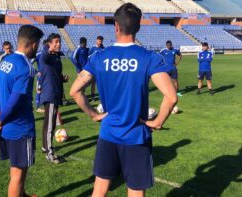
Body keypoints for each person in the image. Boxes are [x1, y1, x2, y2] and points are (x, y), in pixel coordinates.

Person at [70, 3, 177, 197]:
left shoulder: (99, 57)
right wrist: (158, 122)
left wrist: (94, 115)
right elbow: (171, 96)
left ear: (116, 27)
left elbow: (75, 91)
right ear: (138, 28)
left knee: (99, 191)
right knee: (135, 193)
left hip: (108, 133)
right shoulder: (149, 57)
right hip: (136, 136)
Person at [0, 25, 43, 197]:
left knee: (15, 168)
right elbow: (14, 101)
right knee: (18, 174)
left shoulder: (5, 61)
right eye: (38, 43)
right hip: (20, 128)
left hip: (6, 128)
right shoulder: (27, 68)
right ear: (33, 44)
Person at [39, 33, 69, 164]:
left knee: (47, 123)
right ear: (49, 44)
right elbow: (44, 56)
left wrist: (62, 78)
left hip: (55, 92)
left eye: (60, 41)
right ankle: (50, 153)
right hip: (50, 93)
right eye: (56, 42)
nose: (59, 44)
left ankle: (45, 146)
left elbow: (53, 73)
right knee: (51, 124)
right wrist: (47, 49)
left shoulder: (56, 57)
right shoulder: (46, 55)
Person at [89, 36, 105, 101]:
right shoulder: (92, 49)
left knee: (101, 83)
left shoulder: (103, 48)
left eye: (101, 41)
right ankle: (93, 97)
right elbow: (89, 57)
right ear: (96, 40)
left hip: (101, 69)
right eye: (99, 41)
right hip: (93, 69)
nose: (100, 42)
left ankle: (101, 97)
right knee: (93, 83)